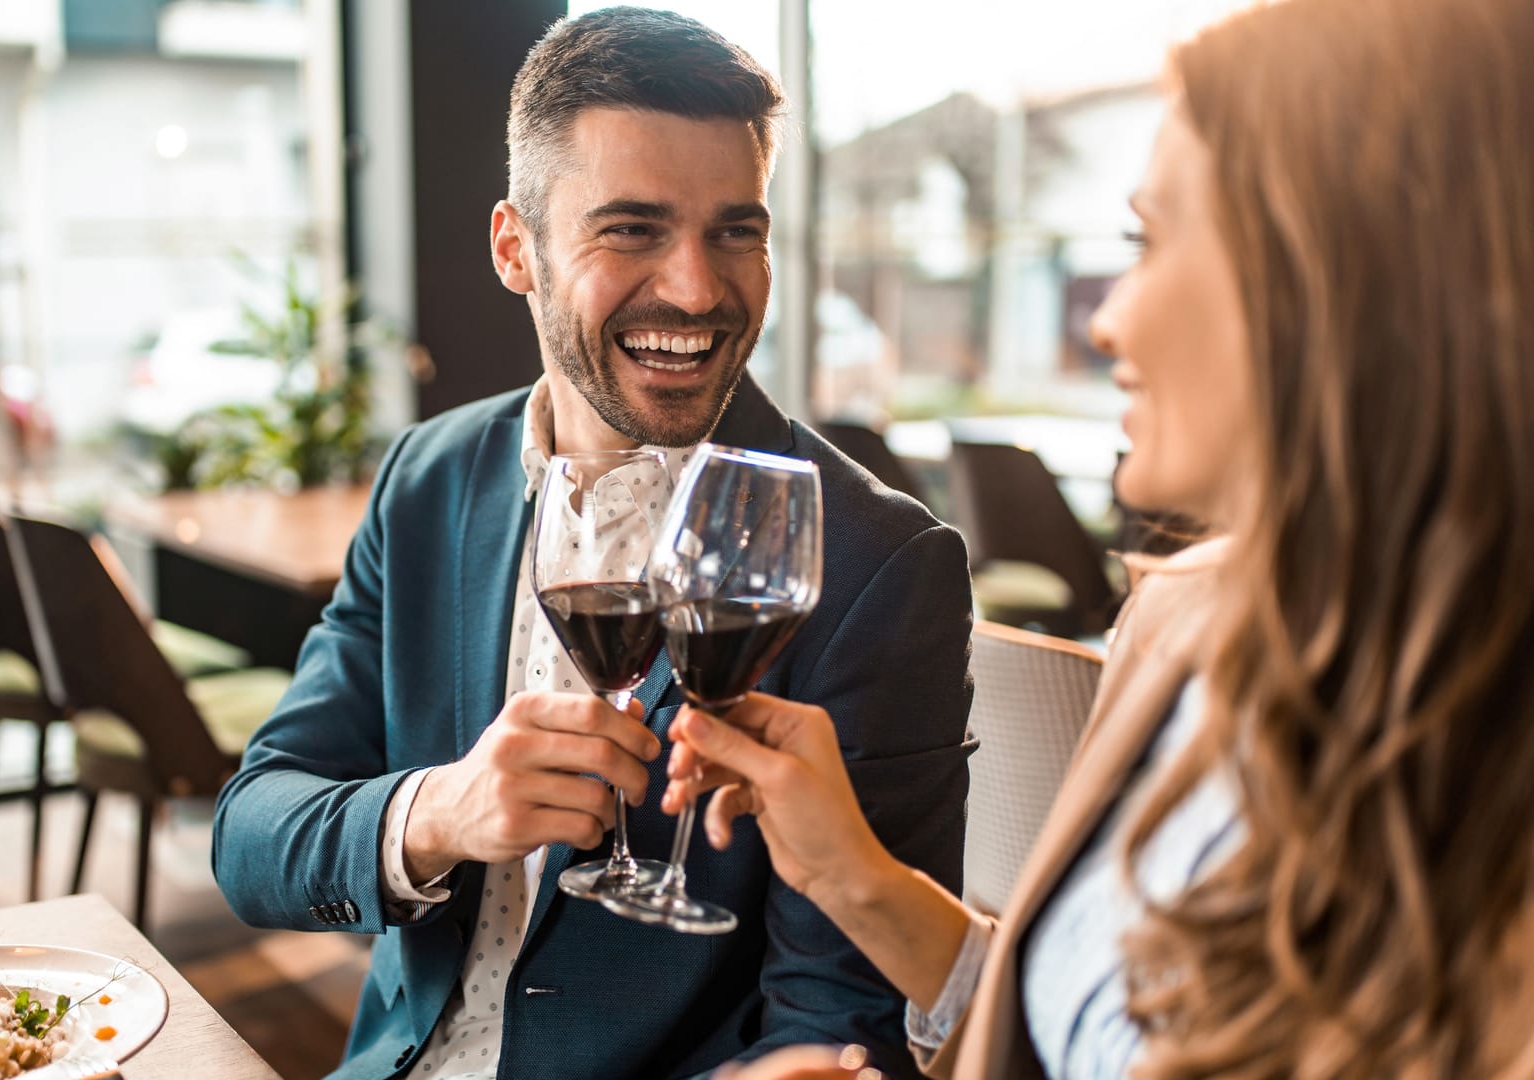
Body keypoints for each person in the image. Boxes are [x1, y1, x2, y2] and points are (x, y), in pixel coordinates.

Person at [664, 0, 1534, 1075]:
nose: (1107, 319)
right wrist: (852, 874)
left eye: (1152, 242)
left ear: (1351, 280)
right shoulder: (1182, 628)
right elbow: (1082, 1026)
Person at [211, 8, 976, 1078]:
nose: (699, 290)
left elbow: (842, 1023)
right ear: (515, 249)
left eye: (735, 231)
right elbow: (252, 836)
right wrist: (442, 808)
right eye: (632, 229)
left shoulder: (878, 566)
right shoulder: (428, 479)